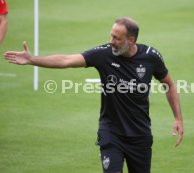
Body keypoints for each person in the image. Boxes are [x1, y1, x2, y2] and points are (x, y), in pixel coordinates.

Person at [3, 17, 183, 173]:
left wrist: (178, 118)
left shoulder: (151, 56)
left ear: (131, 40)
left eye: (116, 38)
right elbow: (66, 60)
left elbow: (169, 84)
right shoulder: (104, 54)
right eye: (111, 35)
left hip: (140, 135)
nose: (111, 41)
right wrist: (32, 59)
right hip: (111, 133)